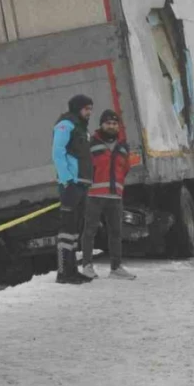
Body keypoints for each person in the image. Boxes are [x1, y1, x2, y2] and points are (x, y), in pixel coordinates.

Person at [81, 109, 137, 280]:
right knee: (89, 231)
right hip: (94, 196)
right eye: (108, 123)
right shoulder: (91, 143)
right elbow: (83, 166)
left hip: (115, 197)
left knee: (116, 232)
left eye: (114, 123)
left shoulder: (123, 146)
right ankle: (87, 266)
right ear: (101, 125)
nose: (111, 126)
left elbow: (125, 168)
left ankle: (116, 268)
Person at [52, 94, 95, 285]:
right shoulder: (65, 125)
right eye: (87, 109)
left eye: (90, 109)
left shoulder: (81, 127)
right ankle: (64, 272)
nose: (89, 113)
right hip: (71, 185)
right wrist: (67, 179)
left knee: (75, 230)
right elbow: (57, 152)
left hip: (82, 184)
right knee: (66, 231)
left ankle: (73, 270)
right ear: (78, 108)